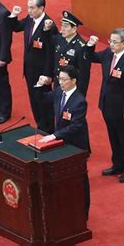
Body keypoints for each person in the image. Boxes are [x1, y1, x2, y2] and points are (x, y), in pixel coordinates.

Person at [37, 65, 91, 219]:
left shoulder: (79, 101)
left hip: (76, 145)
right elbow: (43, 100)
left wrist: (54, 136)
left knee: (79, 180)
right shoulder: (59, 92)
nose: (60, 82)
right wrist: (41, 85)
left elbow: (76, 126)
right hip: (62, 144)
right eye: (59, 79)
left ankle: (83, 212)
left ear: (73, 81)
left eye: (64, 80)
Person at [86, 28, 124, 183]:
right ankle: (117, 164)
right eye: (110, 41)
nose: (111, 44)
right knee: (112, 136)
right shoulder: (108, 53)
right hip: (106, 105)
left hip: (121, 109)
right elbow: (91, 57)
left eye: (115, 42)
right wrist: (90, 45)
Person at [8, 0, 58, 133]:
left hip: (42, 73)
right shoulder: (30, 20)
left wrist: (48, 74)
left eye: (32, 8)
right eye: (28, 7)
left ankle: (48, 130)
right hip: (29, 70)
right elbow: (17, 27)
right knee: (34, 101)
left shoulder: (49, 25)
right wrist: (14, 15)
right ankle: (40, 126)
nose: (29, 11)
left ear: (41, 8)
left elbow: (51, 51)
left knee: (44, 103)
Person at [44, 11, 91, 96]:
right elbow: (47, 42)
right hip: (58, 84)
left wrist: (80, 95)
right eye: (62, 25)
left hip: (71, 88)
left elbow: (84, 75)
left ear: (74, 29)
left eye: (66, 26)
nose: (62, 29)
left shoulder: (81, 47)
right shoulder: (59, 39)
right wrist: (47, 29)